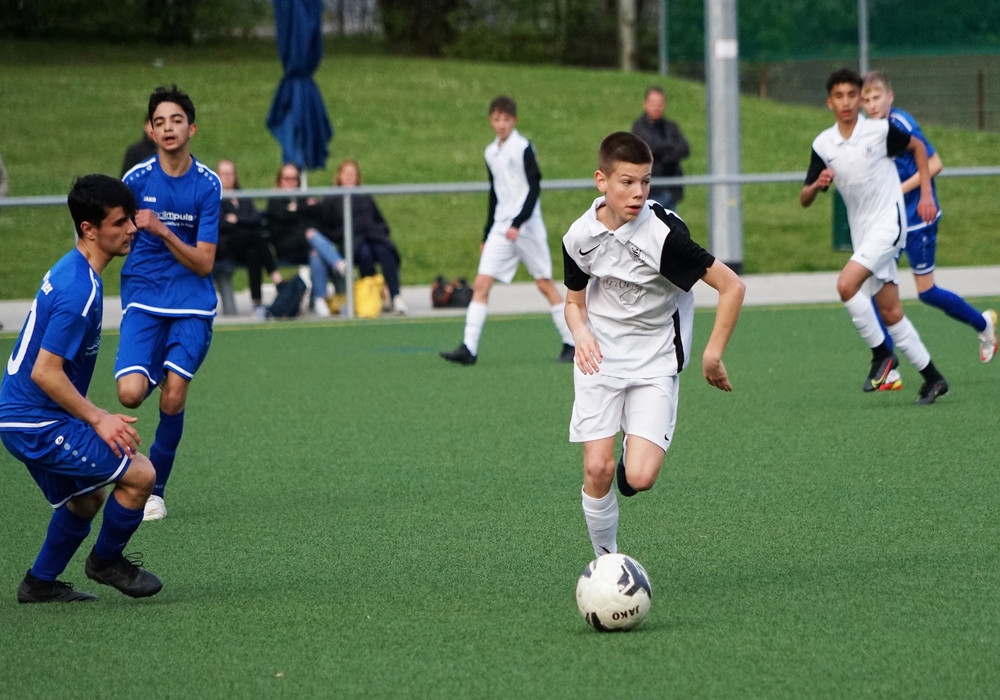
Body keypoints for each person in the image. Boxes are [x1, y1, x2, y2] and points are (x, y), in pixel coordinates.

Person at [562, 132, 745, 558]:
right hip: (601, 358)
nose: (638, 192)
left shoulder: (664, 236)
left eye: (645, 181)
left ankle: (632, 458)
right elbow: (573, 303)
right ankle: (606, 562)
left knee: (639, 479)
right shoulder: (579, 236)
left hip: (655, 360)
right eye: (627, 182)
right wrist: (582, 333)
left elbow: (731, 286)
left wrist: (713, 354)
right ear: (601, 181)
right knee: (596, 466)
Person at [0, 174, 163, 602]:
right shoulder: (79, 290)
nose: (131, 228)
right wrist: (99, 418)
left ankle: (39, 584)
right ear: (89, 229)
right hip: (35, 423)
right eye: (120, 222)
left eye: (131, 218)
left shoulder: (73, 269)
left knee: (87, 499)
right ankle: (106, 562)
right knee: (141, 475)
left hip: (22, 417)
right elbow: (45, 372)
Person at [800, 68, 948, 405]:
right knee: (891, 312)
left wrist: (926, 194)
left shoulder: (880, 130)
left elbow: (919, 149)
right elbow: (804, 198)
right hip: (863, 234)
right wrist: (817, 185)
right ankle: (933, 378)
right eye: (839, 96)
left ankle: (882, 355)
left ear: (859, 100)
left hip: (889, 224)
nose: (847, 102)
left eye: (852, 95)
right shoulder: (823, 144)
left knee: (845, 285)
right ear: (829, 103)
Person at [116, 85, 222, 521]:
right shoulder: (135, 181)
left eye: (176, 120)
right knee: (129, 395)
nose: (168, 128)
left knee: (173, 398)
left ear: (191, 128)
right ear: (150, 130)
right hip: (144, 297)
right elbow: (111, 233)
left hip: (192, 303)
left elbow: (204, 262)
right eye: (159, 122)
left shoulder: (208, 184)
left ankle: (153, 491)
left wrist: (162, 230)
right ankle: (157, 370)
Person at [860, 71, 997, 364]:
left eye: (876, 97)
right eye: (866, 100)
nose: (872, 104)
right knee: (877, 288)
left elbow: (934, 163)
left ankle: (983, 324)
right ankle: (887, 365)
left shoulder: (901, 123)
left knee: (926, 292)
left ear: (890, 97)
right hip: (891, 222)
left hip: (919, 219)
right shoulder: (868, 129)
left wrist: (906, 191)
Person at [441, 95, 575, 365]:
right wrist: (487, 232)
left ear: (515, 120)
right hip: (501, 227)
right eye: (497, 119)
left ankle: (571, 342)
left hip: (527, 226)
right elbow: (495, 193)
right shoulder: (490, 152)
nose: (501, 124)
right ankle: (469, 348)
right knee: (481, 282)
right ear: (490, 120)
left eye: (506, 119)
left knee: (544, 284)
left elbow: (535, 186)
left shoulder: (523, 147)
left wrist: (518, 222)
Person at [312, 159, 407, 314]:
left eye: (353, 174)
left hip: (374, 237)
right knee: (364, 254)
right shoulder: (332, 198)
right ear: (339, 175)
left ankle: (396, 296)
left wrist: (379, 231)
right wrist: (343, 234)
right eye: (346, 173)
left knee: (386, 252)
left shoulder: (364, 196)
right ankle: (371, 296)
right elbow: (326, 227)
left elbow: (380, 221)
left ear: (357, 177)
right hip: (352, 242)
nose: (349, 177)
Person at [266, 163, 347, 317]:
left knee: (316, 253)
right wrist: (302, 213)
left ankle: (319, 299)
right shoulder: (275, 200)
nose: (290, 182)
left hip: (306, 246)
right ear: (280, 180)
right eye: (287, 178)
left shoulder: (302, 198)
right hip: (286, 247)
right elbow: (281, 222)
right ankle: (339, 265)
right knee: (311, 234)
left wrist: (296, 211)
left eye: (294, 179)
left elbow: (316, 216)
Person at [216, 159, 283, 320]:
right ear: (217, 175)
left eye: (230, 173)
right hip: (225, 245)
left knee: (253, 254)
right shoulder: (214, 197)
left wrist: (237, 220)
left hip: (245, 246)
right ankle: (275, 275)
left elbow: (255, 218)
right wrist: (243, 222)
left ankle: (257, 303)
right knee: (254, 236)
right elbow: (221, 224)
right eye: (223, 174)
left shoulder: (243, 196)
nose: (227, 177)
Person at [630, 86, 690, 211]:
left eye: (660, 104)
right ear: (645, 104)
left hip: (671, 191)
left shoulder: (670, 126)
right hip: (650, 192)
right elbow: (649, 148)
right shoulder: (639, 127)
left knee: (670, 223)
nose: (656, 107)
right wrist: (670, 147)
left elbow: (684, 148)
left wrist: (663, 153)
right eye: (653, 104)